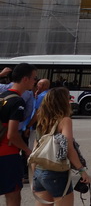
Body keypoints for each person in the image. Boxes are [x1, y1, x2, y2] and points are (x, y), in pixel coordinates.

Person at [31, 87, 91, 205]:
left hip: (39, 170)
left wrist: (34, 171)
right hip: (56, 171)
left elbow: (36, 147)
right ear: (62, 102)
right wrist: (81, 170)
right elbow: (69, 148)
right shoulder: (65, 120)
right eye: (68, 98)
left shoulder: (42, 119)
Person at [1, 63, 37, 206]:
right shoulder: (17, 101)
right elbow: (12, 134)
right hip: (8, 154)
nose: (35, 81)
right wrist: (28, 150)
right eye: (34, 78)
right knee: (13, 195)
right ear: (25, 79)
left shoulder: (3, 96)